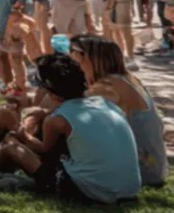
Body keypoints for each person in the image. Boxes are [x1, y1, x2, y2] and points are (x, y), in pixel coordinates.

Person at [0, 54, 141, 203]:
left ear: (50, 92)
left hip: (92, 192)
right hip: (130, 189)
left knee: (11, 147)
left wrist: (23, 135)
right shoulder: (105, 104)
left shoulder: (57, 120)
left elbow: (44, 150)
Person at [70, 36, 167, 187]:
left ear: (94, 60)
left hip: (141, 172)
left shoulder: (109, 85)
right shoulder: (128, 78)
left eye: (79, 59)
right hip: (154, 167)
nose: (76, 64)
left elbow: (70, 111)